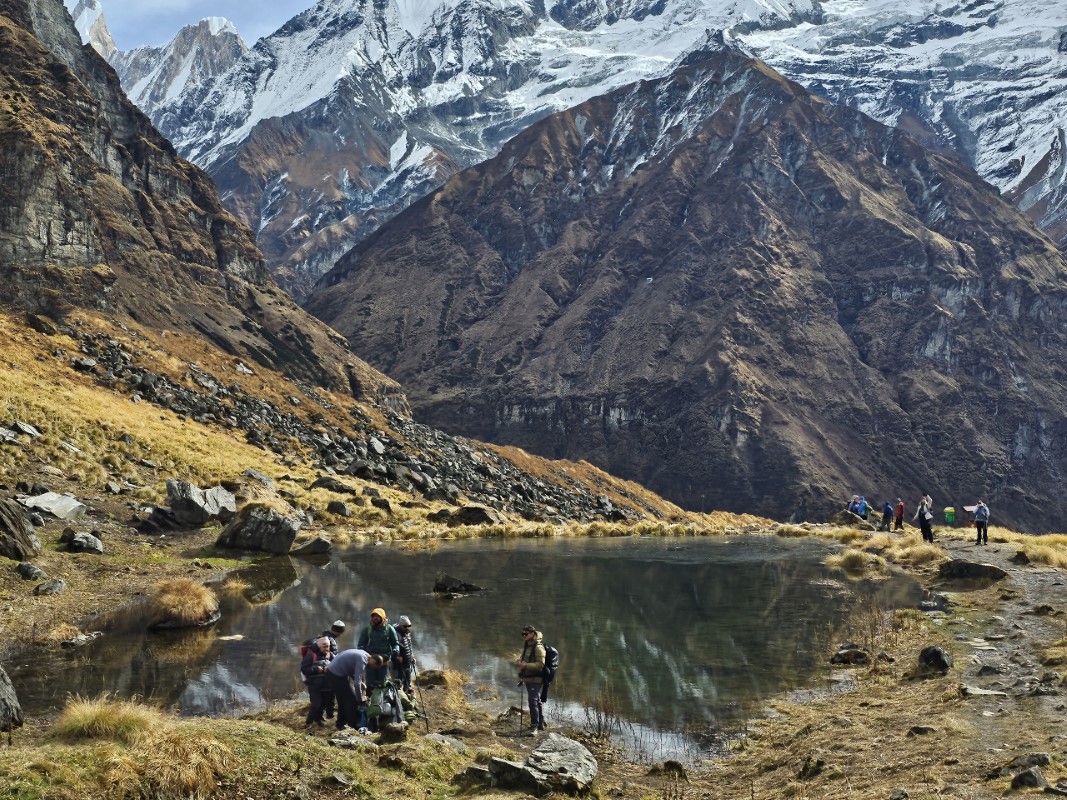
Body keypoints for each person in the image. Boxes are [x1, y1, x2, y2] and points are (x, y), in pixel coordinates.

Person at [326, 648, 385, 731]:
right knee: (351, 701)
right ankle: (352, 726)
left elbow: (351, 669)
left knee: (342, 700)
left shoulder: (364, 654)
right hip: (336, 674)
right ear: (373, 661)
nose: (371, 668)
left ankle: (340, 724)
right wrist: (359, 698)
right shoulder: (363, 659)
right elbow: (356, 684)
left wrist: (361, 683)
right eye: (373, 666)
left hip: (333, 671)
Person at [515, 624, 547, 735]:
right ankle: (540, 723)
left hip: (536, 678)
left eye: (526, 634)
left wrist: (525, 665)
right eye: (522, 634)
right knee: (536, 700)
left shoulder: (538, 647)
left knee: (532, 701)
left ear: (533, 634)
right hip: (528, 678)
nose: (523, 635)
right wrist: (520, 664)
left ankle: (534, 727)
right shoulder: (527, 646)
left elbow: (540, 664)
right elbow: (525, 661)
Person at [357, 608, 399, 688]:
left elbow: (395, 643)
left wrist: (396, 650)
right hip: (371, 662)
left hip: (384, 662)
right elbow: (360, 646)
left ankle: (382, 699)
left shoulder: (389, 629)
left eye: (378, 616)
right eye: (373, 616)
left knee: (382, 684)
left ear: (383, 618)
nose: (375, 618)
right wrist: (365, 653)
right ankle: (369, 698)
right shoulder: (367, 630)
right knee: (370, 684)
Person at [301, 636, 333, 728]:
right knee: (316, 704)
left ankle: (319, 719)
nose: (327, 649)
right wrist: (316, 669)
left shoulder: (330, 655)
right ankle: (308, 723)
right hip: (314, 685)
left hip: (327, 685)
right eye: (324, 647)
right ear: (319, 646)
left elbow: (336, 665)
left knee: (323, 704)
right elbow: (304, 669)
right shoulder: (311, 654)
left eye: (328, 646)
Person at [394, 615, 416, 694]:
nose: (407, 628)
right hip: (399, 663)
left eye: (409, 626)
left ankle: (406, 694)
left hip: (408, 661)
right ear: (400, 625)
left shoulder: (407, 633)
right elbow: (392, 646)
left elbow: (410, 646)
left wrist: (412, 656)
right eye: (405, 626)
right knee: (399, 680)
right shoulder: (395, 634)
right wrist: (397, 656)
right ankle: (398, 696)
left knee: (408, 679)